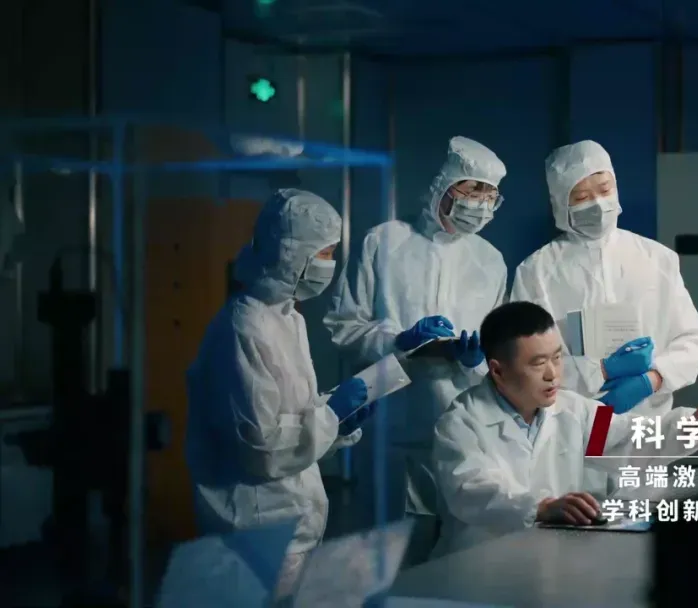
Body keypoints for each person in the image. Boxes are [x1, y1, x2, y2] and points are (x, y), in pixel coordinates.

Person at [324, 136, 508, 564]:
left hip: (461, 427)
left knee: (458, 556)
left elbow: (498, 353)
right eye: (471, 190)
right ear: (443, 186)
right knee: (383, 556)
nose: (479, 205)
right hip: (388, 428)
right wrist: (398, 342)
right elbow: (342, 326)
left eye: (490, 196)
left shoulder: (491, 262)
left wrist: (476, 361)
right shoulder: (383, 243)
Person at [185, 189, 375, 600]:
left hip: (290, 525)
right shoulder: (243, 328)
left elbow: (291, 413)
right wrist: (329, 416)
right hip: (254, 529)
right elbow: (262, 448)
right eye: (324, 253)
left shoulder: (287, 318)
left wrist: (336, 421)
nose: (329, 264)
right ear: (291, 253)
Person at [430, 301, 698, 557]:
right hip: (481, 562)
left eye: (557, 358)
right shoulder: (462, 421)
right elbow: (471, 490)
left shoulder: (576, 410)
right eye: (538, 363)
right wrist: (539, 508)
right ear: (497, 370)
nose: (552, 374)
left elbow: (625, 441)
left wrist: (690, 425)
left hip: (548, 558)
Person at [511, 140, 698, 495]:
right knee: (577, 516)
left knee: (638, 517)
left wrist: (652, 379)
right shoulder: (537, 271)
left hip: (650, 426)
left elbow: (692, 338)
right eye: (581, 196)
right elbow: (526, 358)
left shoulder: (656, 259)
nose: (597, 204)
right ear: (560, 203)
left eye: (604, 190)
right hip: (575, 427)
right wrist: (597, 374)